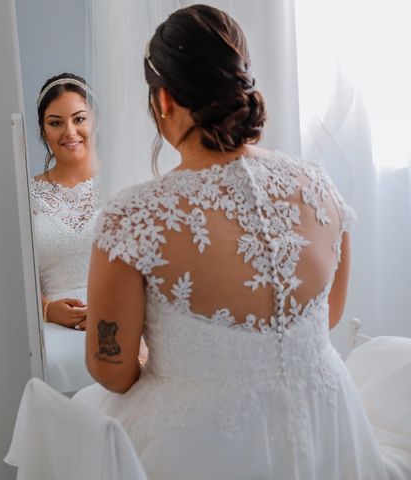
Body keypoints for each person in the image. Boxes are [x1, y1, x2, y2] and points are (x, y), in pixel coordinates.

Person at [75, 5, 392, 478]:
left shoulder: (133, 217)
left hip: (197, 443)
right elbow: (328, 315)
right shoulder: (320, 187)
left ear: (163, 100)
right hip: (326, 423)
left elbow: (111, 370)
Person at [30, 73, 100, 332]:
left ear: (95, 120)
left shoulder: (122, 184)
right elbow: (10, 279)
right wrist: (47, 308)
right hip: (50, 329)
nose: (70, 132)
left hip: (123, 319)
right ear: (43, 130)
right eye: (55, 123)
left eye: (79, 119)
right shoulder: (26, 196)